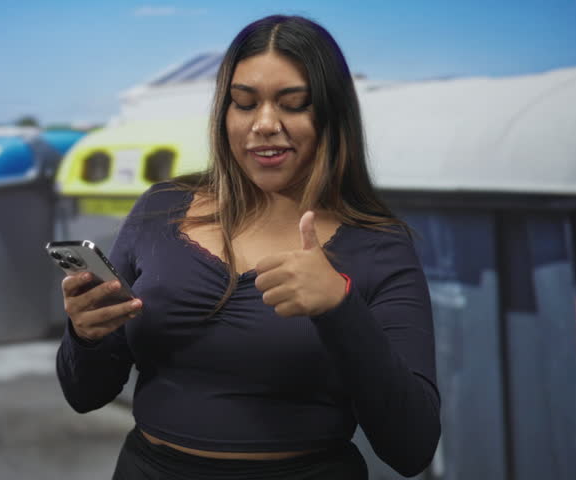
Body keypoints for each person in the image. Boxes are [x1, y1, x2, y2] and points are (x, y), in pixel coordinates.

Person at [56, 14, 440, 480]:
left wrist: (340, 308)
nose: (264, 124)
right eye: (243, 103)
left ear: (333, 115)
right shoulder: (160, 208)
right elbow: (85, 394)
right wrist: (86, 336)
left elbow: (412, 447)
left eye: (293, 104)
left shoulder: (379, 245)